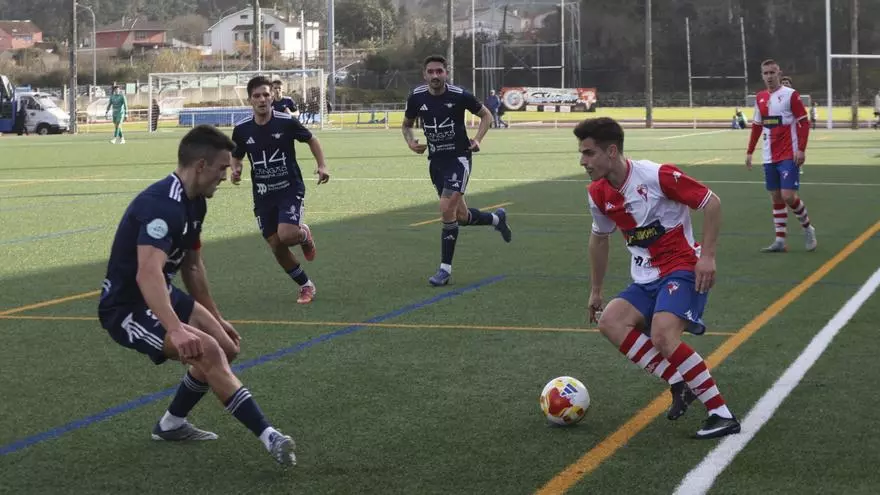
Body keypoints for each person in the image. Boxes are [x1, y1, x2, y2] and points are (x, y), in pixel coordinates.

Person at [97, 125, 297, 466]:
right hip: (127, 308)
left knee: (227, 347)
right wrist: (175, 329)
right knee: (208, 351)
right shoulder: (161, 205)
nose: (226, 176)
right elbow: (147, 273)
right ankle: (270, 437)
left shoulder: (196, 202)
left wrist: (214, 316)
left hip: (160, 293)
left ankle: (171, 424)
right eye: (222, 168)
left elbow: (191, 266)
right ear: (201, 165)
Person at [579, 117, 740, 440]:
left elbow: (711, 202)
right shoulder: (597, 193)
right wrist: (596, 290)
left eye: (589, 153)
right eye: (581, 153)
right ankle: (679, 382)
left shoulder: (656, 176)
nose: (583, 161)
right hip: (645, 277)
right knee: (610, 322)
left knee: (662, 335)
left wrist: (707, 257)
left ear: (612, 152)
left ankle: (722, 415)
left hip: (682, 267)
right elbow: (599, 238)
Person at [402, 54, 511, 286]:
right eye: (431, 71)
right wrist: (411, 142)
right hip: (436, 162)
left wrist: (478, 139)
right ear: (424, 74)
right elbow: (406, 125)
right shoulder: (416, 97)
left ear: (446, 73)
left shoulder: (459, 95)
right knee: (460, 217)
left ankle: (444, 270)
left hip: (458, 159)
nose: (435, 75)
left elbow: (486, 115)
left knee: (446, 208)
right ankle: (496, 219)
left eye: (439, 71)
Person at [231, 76, 330, 304]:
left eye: (266, 95)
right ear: (250, 100)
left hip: (289, 188)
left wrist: (322, 165)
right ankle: (306, 285)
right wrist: (235, 169)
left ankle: (303, 234)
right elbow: (236, 155)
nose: (262, 99)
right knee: (276, 244)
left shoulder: (286, 122)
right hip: (263, 194)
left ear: (272, 97)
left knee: (286, 235)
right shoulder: (242, 129)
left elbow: (312, 139)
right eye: (257, 96)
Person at [746, 59, 816, 253]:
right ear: (762, 76)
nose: (769, 76)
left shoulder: (791, 95)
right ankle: (780, 240)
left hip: (788, 153)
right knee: (776, 197)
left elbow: (804, 122)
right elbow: (757, 126)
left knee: (788, 196)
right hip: (769, 155)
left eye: (772, 72)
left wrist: (801, 149)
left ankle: (807, 228)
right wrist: (750, 151)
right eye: (765, 73)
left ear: (779, 73)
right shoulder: (760, 98)